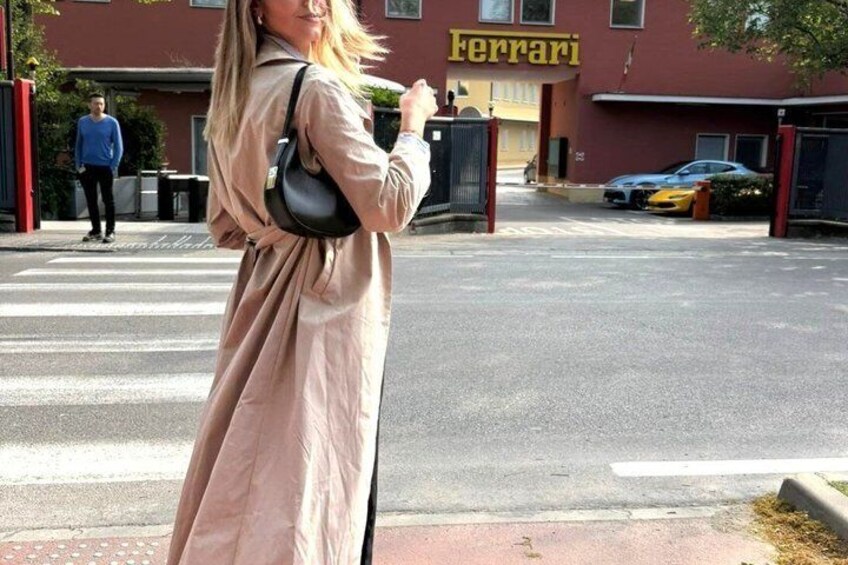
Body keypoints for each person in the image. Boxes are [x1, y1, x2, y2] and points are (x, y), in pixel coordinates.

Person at [167, 0, 437, 563]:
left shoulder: (235, 92)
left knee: (253, 464)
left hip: (260, 293)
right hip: (323, 302)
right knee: (319, 473)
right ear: (256, 8)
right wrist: (413, 131)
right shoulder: (314, 88)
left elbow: (223, 226)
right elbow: (388, 205)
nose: (314, 2)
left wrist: (273, 231)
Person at [74, 93, 123, 243]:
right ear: (90, 105)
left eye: (101, 104)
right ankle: (96, 230)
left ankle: (110, 231)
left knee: (108, 200)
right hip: (87, 167)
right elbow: (78, 144)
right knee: (91, 200)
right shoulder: (83, 121)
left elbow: (119, 146)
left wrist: (113, 165)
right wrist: (78, 164)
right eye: (96, 103)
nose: (99, 106)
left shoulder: (112, 122)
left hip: (105, 166)